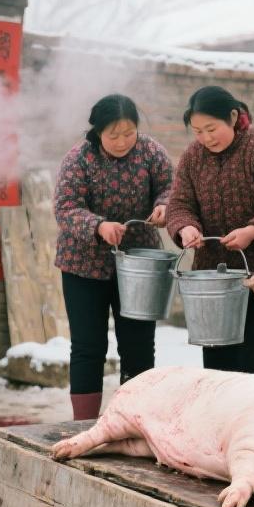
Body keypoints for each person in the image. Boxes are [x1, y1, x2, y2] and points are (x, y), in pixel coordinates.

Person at [54, 94, 173, 420]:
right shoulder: (78, 159)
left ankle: (133, 420)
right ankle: (85, 425)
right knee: (88, 347)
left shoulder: (151, 152)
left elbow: (170, 188)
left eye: (129, 133)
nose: (123, 142)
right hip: (84, 263)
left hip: (139, 264)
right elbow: (65, 209)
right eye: (113, 135)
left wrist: (165, 205)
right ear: (97, 132)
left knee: (138, 346)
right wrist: (98, 226)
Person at [165, 86, 254, 375]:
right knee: (219, 373)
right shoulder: (193, 157)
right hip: (216, 284)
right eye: (198, 131)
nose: (206, 138)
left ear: (233, 117)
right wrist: (186, 227)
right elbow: (178, 204)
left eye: (211, 128)